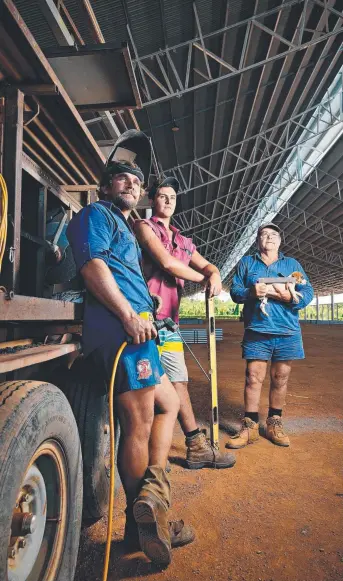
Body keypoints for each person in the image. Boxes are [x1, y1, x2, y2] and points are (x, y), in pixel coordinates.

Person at [67, 140, 194, 567]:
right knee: (137, 423)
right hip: (122, 331)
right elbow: (92, 267)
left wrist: (147, 310)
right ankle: (141, 527)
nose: (132, 184)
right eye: (122, 177)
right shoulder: (96, 215)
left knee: (169, 401)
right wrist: (127, 314)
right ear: (105, 187)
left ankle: (153, 502)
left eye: (137, 181)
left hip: (141, 329)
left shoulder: (124, 225)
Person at [134, 177, 236, 470]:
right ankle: (151, 459)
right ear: (153, 200)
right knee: (147, 387)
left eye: (173, 197)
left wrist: (214, 274)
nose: (168, 201)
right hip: (145, 320)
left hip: (170, 324)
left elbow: (207, 265)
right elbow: (167, 263)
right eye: (163, 196)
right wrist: (205, 279)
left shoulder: (182, 240)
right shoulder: (144, 227)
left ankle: (195, 446)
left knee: (179, 382)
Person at [226, 223, 314, 449]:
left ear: (280, 240)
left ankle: (275, 422)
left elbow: (308, 291)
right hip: (257, 330)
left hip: (287, 331)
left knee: (280, 378)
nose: (269, 238)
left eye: (274, 234)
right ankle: (250, 426)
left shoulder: (292, 265)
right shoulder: (247, 263)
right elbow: (235, 291)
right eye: (264, 234)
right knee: (253, 377)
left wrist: (292, 298)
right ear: (258, 241)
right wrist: (250, 292)